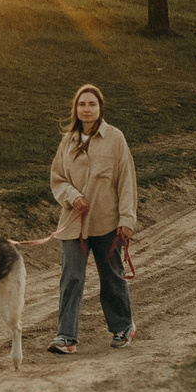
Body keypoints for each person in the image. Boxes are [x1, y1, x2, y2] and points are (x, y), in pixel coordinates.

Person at [46, 82, 136, 352]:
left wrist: (126, 219)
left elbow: (126, 180)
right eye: (82, 104)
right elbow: (57, 179)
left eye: (91, 104)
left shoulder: (115, 138)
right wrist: (72, 196)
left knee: (111, 275)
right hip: (73, 224)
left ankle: (123, 326)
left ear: (100, 108)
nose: (86, 109)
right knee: (71, 276)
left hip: (107, 222)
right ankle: (66, 337)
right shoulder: (68, 141)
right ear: (76, 108)